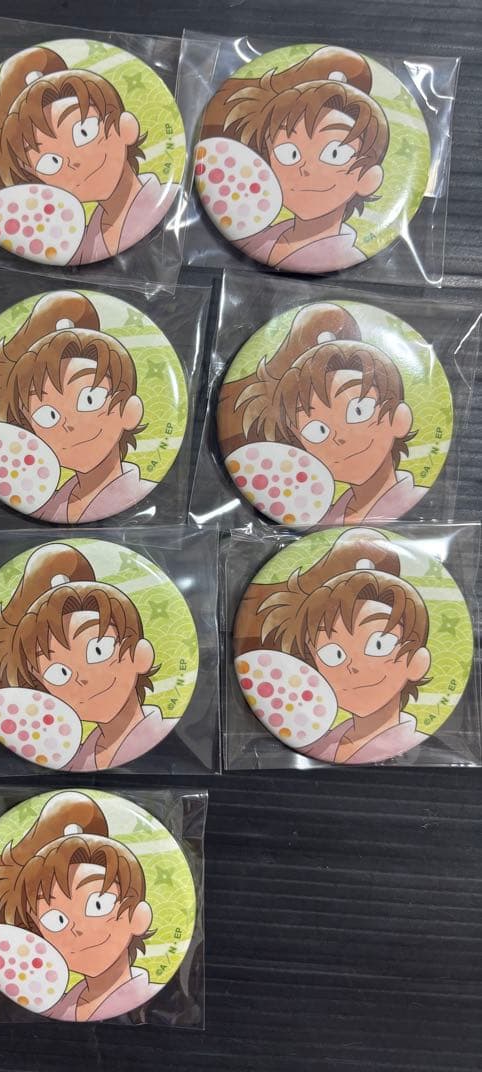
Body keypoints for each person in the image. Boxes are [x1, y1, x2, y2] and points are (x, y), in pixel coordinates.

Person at [0, 544, 177, 770]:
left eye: (98, 650)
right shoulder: (76, 760)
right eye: (59, 673)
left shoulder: (162, 734)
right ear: (45, 692)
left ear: (140, 655)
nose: (81, 678)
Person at [0, 46, 178, 263]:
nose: (73, 162)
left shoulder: (165, 200)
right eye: (50, 162)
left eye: (84, 132)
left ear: (125, 128)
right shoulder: (83, 243)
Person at [218, 302, 427, 524]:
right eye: (317, 430)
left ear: (399, 418)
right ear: (301, 447)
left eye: (358, 411)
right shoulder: (327, 516)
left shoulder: (412, 499)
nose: (339, 437)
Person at [237, 528, 431, 764]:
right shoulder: (322, 742)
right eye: (333, 653)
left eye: (379, 644)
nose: (353, 666)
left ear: (417, 662)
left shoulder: (410, 740)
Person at [0, 291, 155, 523]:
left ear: (130, 411)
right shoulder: (47, 507)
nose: (68, 424)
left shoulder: (138, 490)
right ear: (31, 432)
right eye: (47, 415)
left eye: (89, 399)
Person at [0, 790, 159, 1021]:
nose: (77, 928)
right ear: (40, 935)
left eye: (98, 905)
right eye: (56, 920)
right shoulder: (58, 1006)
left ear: (139, 916)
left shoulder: (146, 993)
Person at [201, 46, 389, 271]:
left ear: (368, 178)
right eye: (289, 153)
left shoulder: (346, 253)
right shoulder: (258, 238)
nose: (306, 167)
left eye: (335, 153)